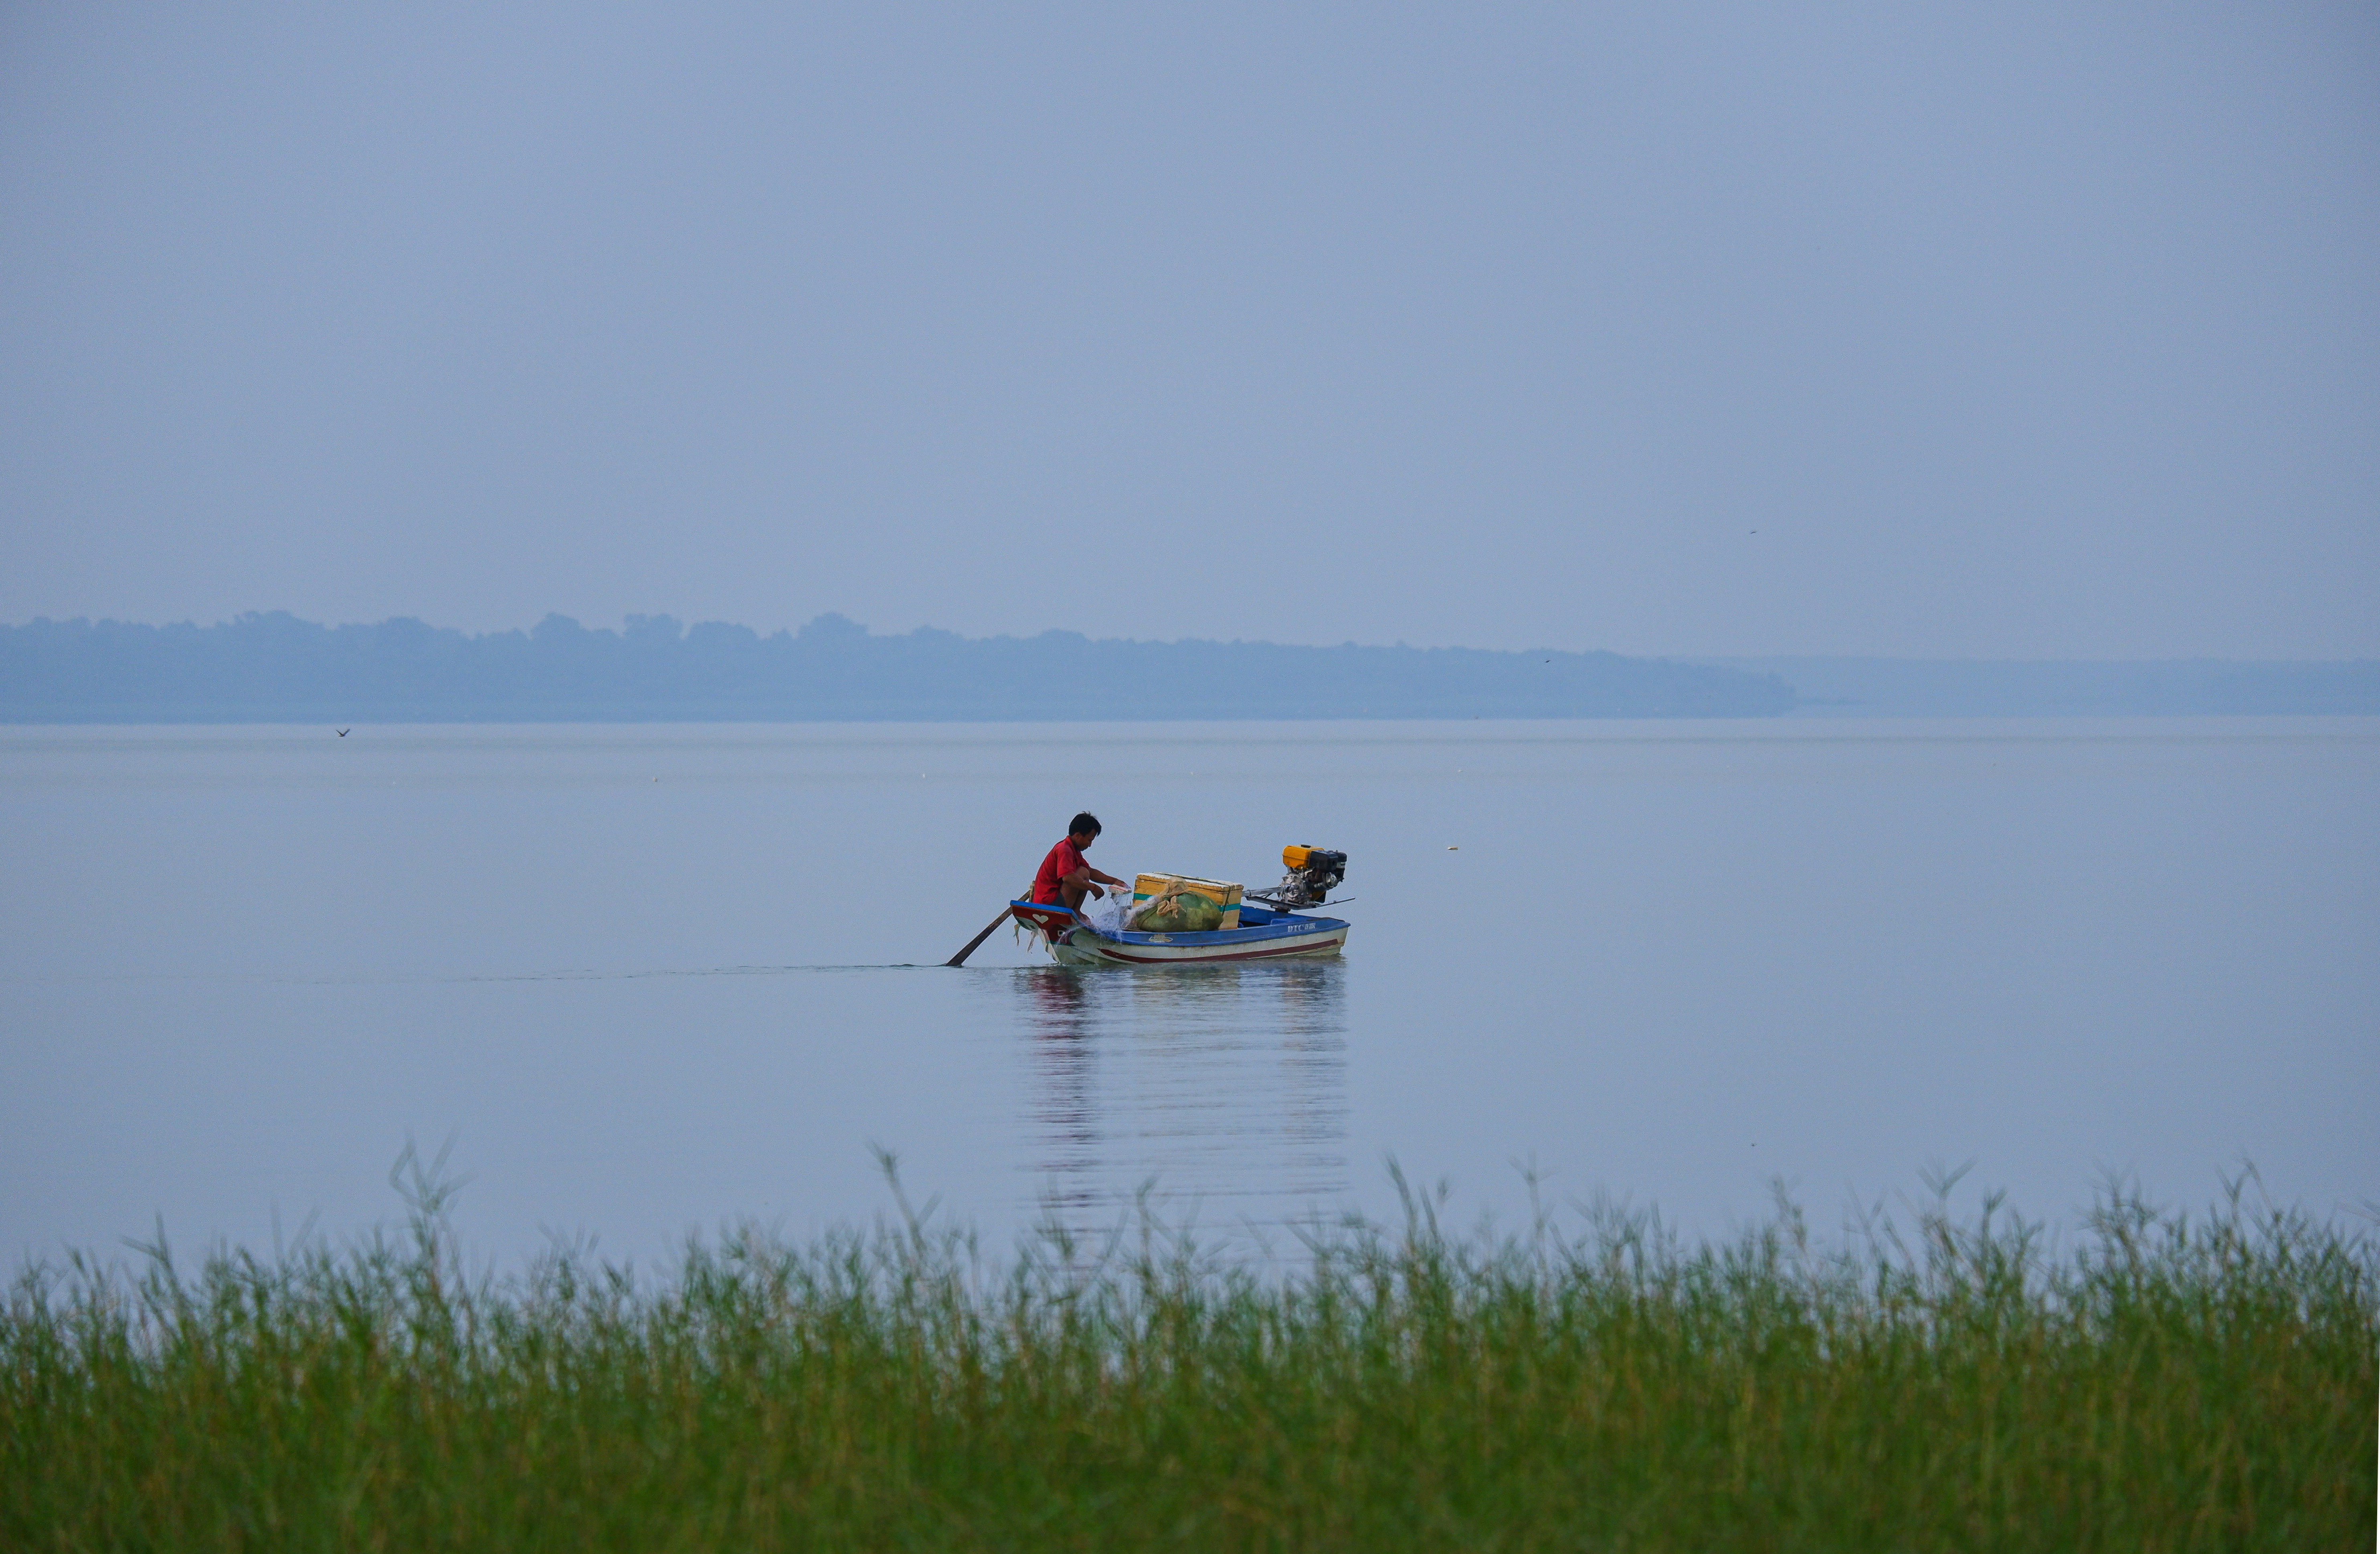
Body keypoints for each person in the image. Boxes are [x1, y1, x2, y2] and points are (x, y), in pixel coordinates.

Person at [1031, 812, 1126, 912]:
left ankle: (1076, 912)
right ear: (1077, 836)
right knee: (1083, 873)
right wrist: (1093, 888)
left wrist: (1114, 881)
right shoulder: (1064, 850)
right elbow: (1068, 878)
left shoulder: (1074, 851)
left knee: (1085, 872)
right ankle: (1076, 912)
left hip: (1054, 901)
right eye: (1090, 840)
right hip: (1047, 904)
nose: (1090, 845)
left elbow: (1091, 872)